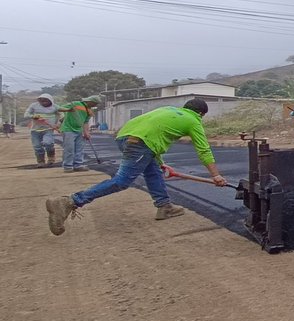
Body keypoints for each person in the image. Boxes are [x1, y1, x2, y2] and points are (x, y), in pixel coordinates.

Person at [44, 98, 227, 236]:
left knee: (153, 171)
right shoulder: (193, 120)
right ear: (202, 114)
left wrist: (161, 162)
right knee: (122, 181)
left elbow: (153, 132)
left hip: (125, 136)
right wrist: (216, 176)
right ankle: (71, 201)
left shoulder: (167, 109)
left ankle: (164, 206)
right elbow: (204, 150)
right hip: (140, 143)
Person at [57, 95, 100, 172]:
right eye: (95, 103)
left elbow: (86, 122)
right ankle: (68, 166)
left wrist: (86, 132)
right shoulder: (75, 104)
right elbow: (59, 108)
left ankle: (78, 165)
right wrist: (68, 110)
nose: (95, 105)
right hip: (68, 129)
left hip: (79, 130)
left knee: (79, 149)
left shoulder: (89, 111)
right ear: (90, 101)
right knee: (69, 148)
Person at [24, 93, 59, 167]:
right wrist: (33, 116)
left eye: (46, 101)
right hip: (35, 130)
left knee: (48, 143)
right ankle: (41, 161)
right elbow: (26, 114)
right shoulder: (34, 106)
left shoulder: (55, 107)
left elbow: (62, 114)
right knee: (37, 146)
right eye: (42, 101)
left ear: (50, 101)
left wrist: (57, 124)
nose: (44, 102)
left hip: (48, 129)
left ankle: (51, 157)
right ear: (39, 101)